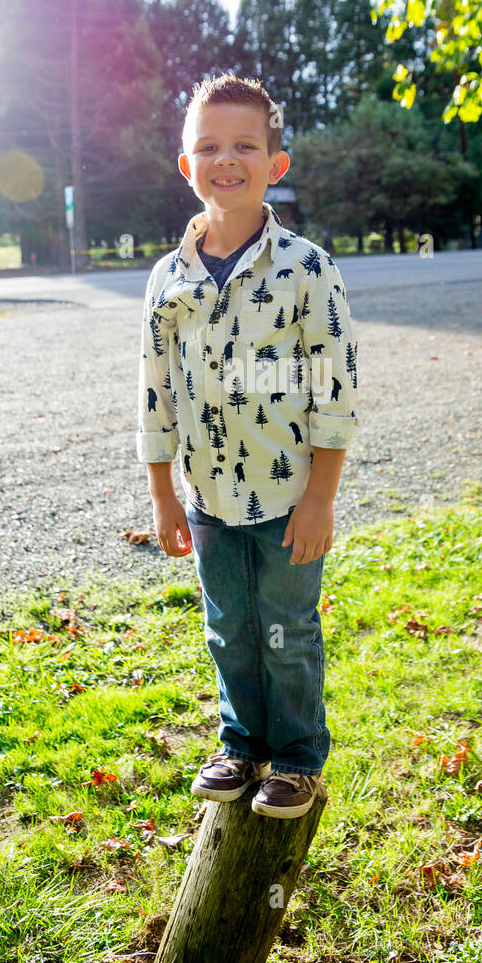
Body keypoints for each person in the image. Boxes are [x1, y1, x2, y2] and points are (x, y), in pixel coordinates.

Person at [135, 72, 359, 819]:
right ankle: (242, 745)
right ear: (184, 164)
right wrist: (164, 494)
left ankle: (296, 758)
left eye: (244, 146)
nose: (225, 159)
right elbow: (155, 392)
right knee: (229, 625)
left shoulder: (305, 268)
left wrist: (322, 498)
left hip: (290, 495)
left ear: (275, 164)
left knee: (287, 629)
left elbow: (334, 388)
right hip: (206, 499)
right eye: (208, 146)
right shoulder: (167, 279)